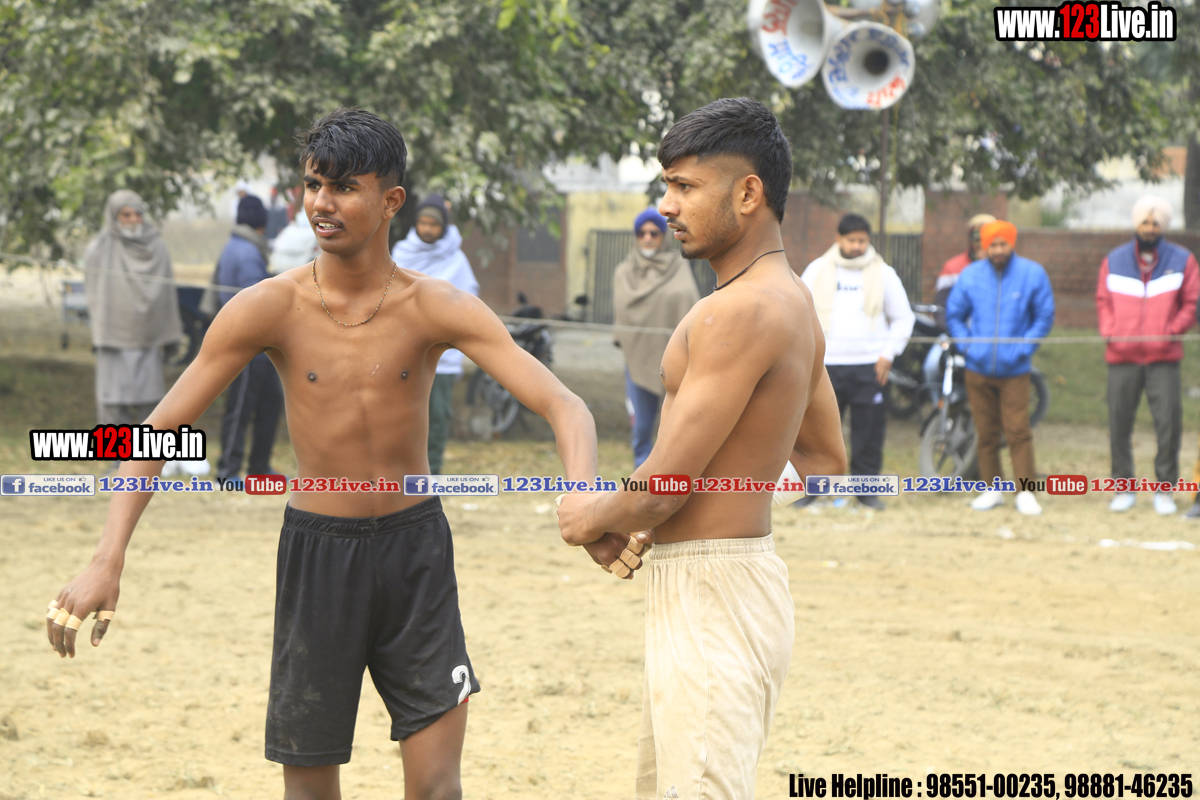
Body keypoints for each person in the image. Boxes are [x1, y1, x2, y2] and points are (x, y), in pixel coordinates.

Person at [47, 108, 613, 800]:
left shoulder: (435, 306)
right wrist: (107, 557)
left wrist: (585, 495)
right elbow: (155, 433)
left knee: (438, 789)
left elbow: (566, 405)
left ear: (391, 201)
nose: (322, 202)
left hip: (415, 554)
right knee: (311, 791)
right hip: (318, 556)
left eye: (344, 187)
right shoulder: (269, 307)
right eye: (314, 184)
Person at [557, 97, 847, 800]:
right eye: (666, 187)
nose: (667, 207)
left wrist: (591, 515)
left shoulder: (737, 310)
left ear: (748, 193)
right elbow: (824, 465)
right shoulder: (791, 299)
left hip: (715, 593)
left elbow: (662, 488)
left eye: (684, 186)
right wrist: (700, 509)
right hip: (732, 581)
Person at [800, 212, 914, 510]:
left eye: (862, 241)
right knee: (817, 433)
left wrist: (888, 354)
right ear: (838, 239)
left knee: (869, 433)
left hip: (870, 367)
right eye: (851, 240)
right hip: (825, 367)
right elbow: (799, 314)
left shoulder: (884, 273)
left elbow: (903, 318)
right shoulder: (817, 270)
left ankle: (866, 492)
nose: (857, 246)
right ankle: (813, 489)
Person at [1096, 196, 1199, 515]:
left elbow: (1191, 303)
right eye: (1145, 222)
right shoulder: (1113, 260)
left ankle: (1164, 490)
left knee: (1168, 425)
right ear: (1136, 224)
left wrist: (1172, 331)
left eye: (1155, 223)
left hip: (1164, 357)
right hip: (1122, 356)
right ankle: (1123, 487)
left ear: (1162, 227)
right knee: (1119, 423)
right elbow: (1103, 301)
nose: (1150, 228)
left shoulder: (1182, 259)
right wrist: (1111, 332)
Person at [946, 220, 1055, 516]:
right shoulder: (970, 275)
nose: (997, 250)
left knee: (1019, 431)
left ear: (1012, 244)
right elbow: (954, 314)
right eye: (992, 245)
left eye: (1002, 244)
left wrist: (1023, 347)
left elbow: (1044, 315)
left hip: (1015, 370)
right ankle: (992, 489)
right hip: (977, 369)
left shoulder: (1032, 274)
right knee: (986, 433)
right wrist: (968, 346)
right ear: (984, 246)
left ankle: (1025, 492)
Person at [390, 193, 479, 474]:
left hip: (442, 356)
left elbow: (468, 300)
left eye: (434, 224)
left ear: (444, 226)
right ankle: (400, 478)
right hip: (403, 351)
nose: (427, 229)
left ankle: (432, 478)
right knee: (400, 417)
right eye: (423, 223)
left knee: (436, 418)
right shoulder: (401, 253)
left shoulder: (457, 259)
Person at [84, 190, 184, 428]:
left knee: (152, 409)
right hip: (113, 338)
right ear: (114, 216)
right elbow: (94, 294)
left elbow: (166, 295)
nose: (133, 220)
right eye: (126, 214)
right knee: (112, 407)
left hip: (148, 339)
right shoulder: (99, 248)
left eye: (138, 214)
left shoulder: (156, 245)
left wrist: (168, 336)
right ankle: (115, 453)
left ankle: (145, 452)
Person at [613, 207, 700, 467]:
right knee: (641, 425)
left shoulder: (679, 266)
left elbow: (688, 304)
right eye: (642, 233)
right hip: (637, 358)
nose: (648, 238)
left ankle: (671, 473)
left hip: (675, 360)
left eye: (654, 233)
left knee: (676, 423)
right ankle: (641, 472)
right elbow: (623, 312)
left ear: (663, 237)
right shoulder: (624, 271)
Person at [214, 195, 285, 481]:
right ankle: (227, 469)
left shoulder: (236, 244)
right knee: (241, 406)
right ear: (262, 221)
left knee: (270, 403)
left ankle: (259, 467)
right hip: (247, 346)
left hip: (261, 349)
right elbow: (257, 304)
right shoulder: (247, 252)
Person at [925, 213, 996, 383]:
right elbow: (940, 305)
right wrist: (952, 332)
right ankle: (939, 398)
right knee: (931, 367)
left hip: (992, 338)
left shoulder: (1004, 269)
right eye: (976, 237)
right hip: (954, 335)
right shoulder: (953, 267)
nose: (980, 243)